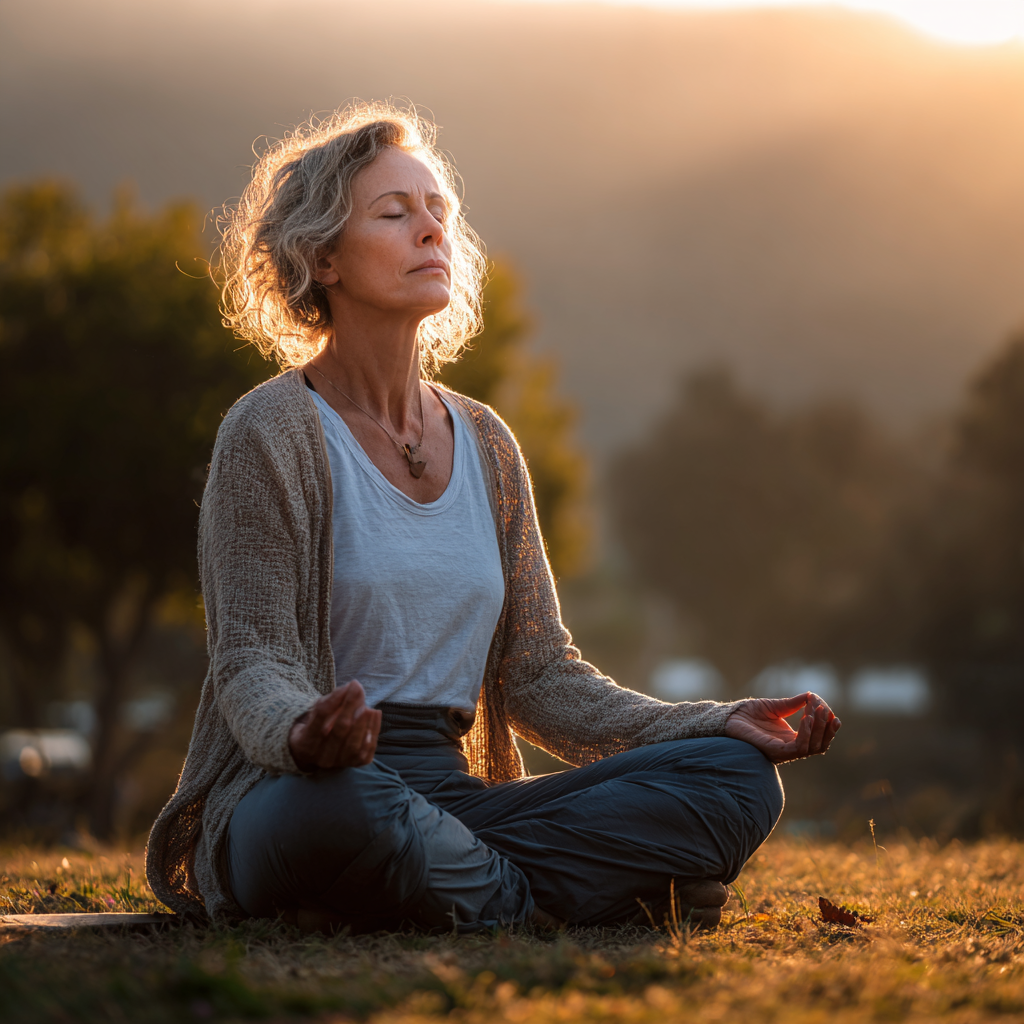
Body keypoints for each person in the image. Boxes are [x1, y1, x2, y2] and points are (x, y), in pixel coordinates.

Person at [146, 102, 840, 933]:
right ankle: (548, 904)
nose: (431, 230)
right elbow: (251, 660)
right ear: (322, 257)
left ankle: (463, 884)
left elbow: (544, 678)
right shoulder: (269, 432)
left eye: (438, 210)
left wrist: (713, 720)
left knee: (737, 777)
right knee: (348, 809)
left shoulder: (485, 441)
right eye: (395, 214)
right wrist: (303, 735)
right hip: (305, 789)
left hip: (455, 804)